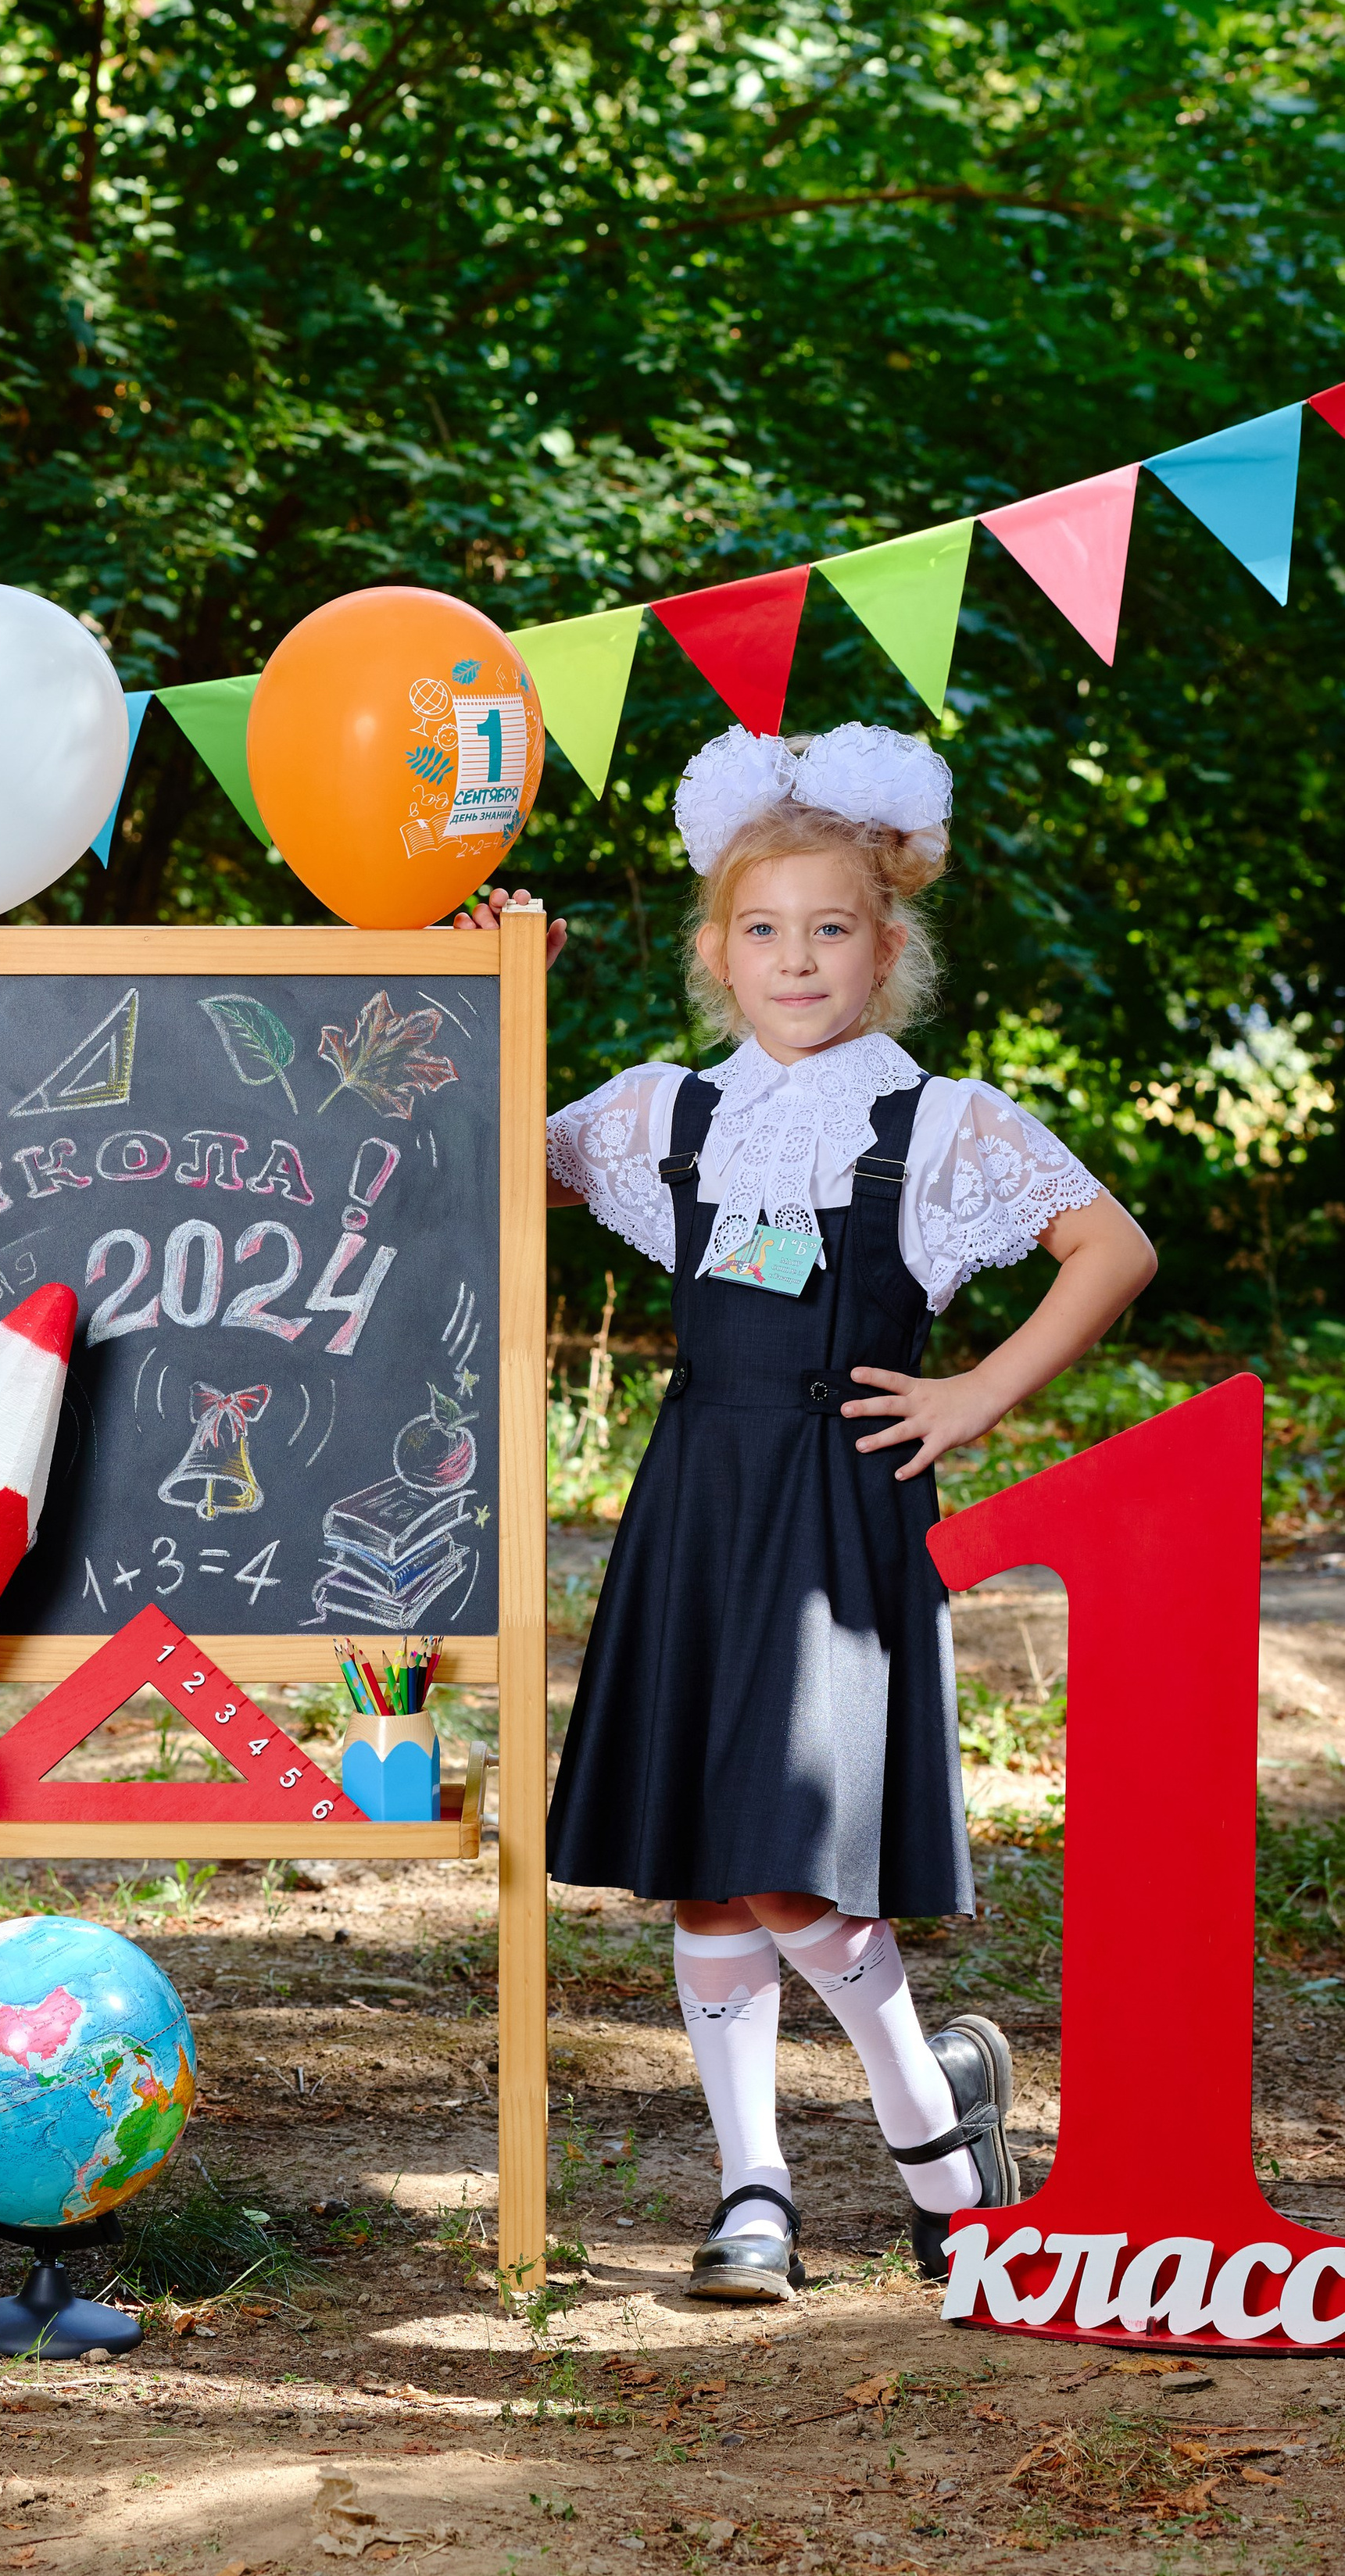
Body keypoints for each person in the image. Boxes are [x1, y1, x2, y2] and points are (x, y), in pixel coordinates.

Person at [457, 722, 1155, 2301]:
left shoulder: (937, 1129)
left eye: (829, 927)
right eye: (761, 929)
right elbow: (491, 1168)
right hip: (698, 1499)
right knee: (713, 1868)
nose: (795, 957)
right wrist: (508, 992)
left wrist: (973, 1395)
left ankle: (931, 2140)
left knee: (793, 1868)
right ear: (715, 950)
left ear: (884, 946)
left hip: (837, 1516)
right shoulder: (665, 1116)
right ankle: (752, 2191)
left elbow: (1107, 1250)